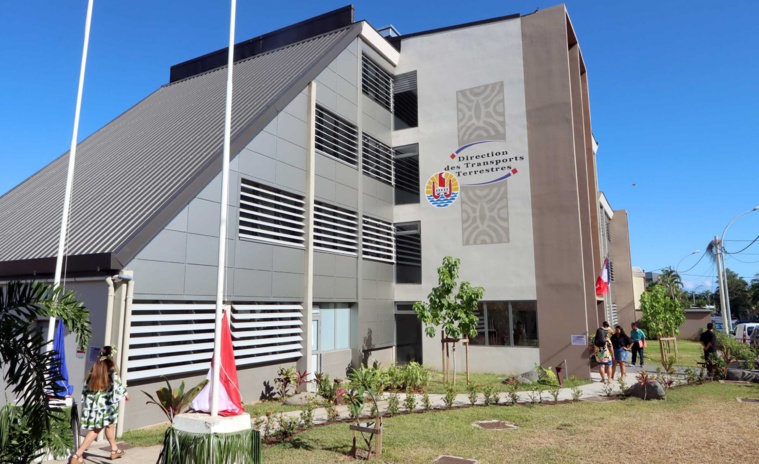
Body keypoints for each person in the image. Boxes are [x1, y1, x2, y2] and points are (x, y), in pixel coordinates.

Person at [70, 346, 128, 464]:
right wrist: (125, 394)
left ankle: (114, 450)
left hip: (96, 403)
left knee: (110, 425)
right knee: (96, 430)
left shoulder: (95, 367)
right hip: (106, 404)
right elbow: (117, 384)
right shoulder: (111, 367)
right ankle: (77, 456)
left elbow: (87, 385)